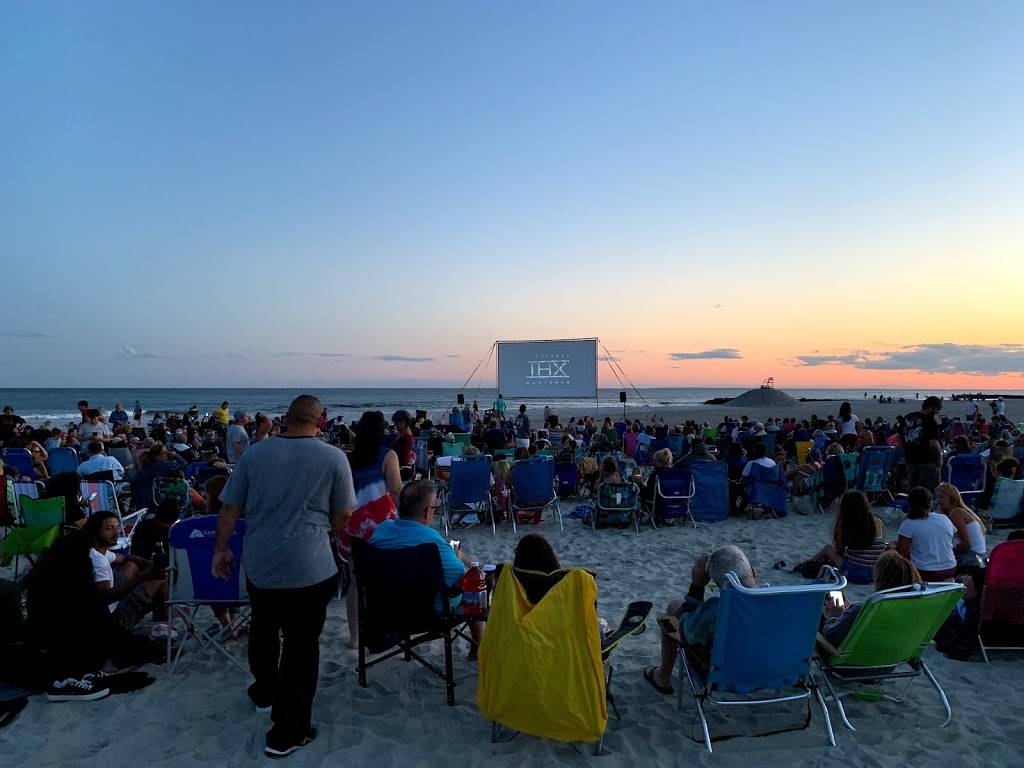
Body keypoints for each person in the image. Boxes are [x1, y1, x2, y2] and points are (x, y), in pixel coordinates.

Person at [213, 394, 354, 759]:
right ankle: (288, 731)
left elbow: (230, 506)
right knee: (301, 645)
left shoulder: (255, 454)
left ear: (285, 419)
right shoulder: (333, 457)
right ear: (321, 418)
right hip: (310, 564)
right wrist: (332, 536)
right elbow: (343, 516)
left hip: (261, 561)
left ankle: (264, 692)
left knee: (263, 629)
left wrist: (221, 549)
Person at [369, 480, 484, 653]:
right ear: (426, 512)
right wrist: (458, 558)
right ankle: (477, 649)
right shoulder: (432, 542)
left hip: (386, 611)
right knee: (477, 586)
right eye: (435, 508)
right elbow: (461, 581)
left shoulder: (381, 530)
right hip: (429, 614)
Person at [644, 545, 756, 694]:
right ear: (753, 572)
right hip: (773, 671)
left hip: (724, 676)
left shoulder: (715, 611)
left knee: (672, 614)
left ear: (718, 583)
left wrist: (696, 586)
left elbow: (686, 634)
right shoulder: (781, 601)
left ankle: (663, 677)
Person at [337, 411, 401, 648]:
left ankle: (355, 638)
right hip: (382, 524)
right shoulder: (387, 455)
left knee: (356, 581)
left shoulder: (348, 458)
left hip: (352, 525)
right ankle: (387, 629)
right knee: (388, 577)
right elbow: (395, 490)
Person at [821, 551, 921, 648]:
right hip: (888, 657)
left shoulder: (862, 610)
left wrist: (835, 614)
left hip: (848, 657)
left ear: (879, 579)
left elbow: (829, 635)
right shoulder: (912, 613)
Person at [88, 511, 168, 629]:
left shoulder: (96, 550)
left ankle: (157, 609)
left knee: (132, 564)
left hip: (110, 601)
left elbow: (124, 558)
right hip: (111, 618)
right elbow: (106, 597)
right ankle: (162, 616)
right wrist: (142, 577)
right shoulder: (98, 561)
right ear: (95, 532)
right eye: (110, 529)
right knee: (159, 579)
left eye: (117, 528)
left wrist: (146, 563)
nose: (116, 533)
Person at [800, 491, 886, 583]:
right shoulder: (877, 521)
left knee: (828, 549)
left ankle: (808, 565)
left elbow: (839, 550)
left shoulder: (848, 524)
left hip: (855, 573)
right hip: (876, 573)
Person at [896, 486, 957, 581]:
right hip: (950, 567)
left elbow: (901, 553)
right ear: (930, 503)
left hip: (925, 571)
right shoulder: (944, 518)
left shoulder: (908, 523)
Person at [935, 482, 987, 572]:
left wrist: (950, 553)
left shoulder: (956, 513)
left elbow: (966, 544)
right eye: (937, 497)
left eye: (942, 497)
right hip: (980, 555)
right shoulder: (963, 511)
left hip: (972, 557)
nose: (938, 501)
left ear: (951, 498)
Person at [901, 396, 943, 491]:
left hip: (910, 460)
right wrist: (939, 458)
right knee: (929, 491)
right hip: (927, 461)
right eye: (937, 409)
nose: (938, 412)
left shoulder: (907, 417)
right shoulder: (930, 421)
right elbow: (934, 443)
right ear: (930, 408)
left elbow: (900, 437)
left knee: (914, 490)